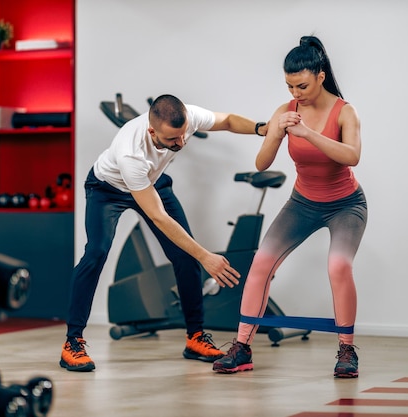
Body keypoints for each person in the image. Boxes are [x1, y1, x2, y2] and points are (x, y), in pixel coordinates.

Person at [60, 94, 269, 372]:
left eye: (183, 136)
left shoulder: (187, 118)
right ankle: (72, 342)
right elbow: (158, 216)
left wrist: (260, 128)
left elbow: (227, 120)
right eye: (172, 140)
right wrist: (206, 256)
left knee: (185, 255)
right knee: (96, 252)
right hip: (107, 189)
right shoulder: (131, 152)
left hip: (152, 183)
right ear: (151, 130)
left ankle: (194, 336)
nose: (180, 143)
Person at [212, 35, 368, 378]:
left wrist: (309, 134)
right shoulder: (286, 111)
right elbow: (262, 164)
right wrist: (275, 133)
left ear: (320, 76)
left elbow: (352, 156)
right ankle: (242, 348)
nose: (294, 93)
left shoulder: (345, 111)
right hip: (302, 203)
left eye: (301, 85)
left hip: (346, 205)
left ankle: (346, 351)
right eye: (288, 86)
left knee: (338, 267)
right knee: (260, 264)